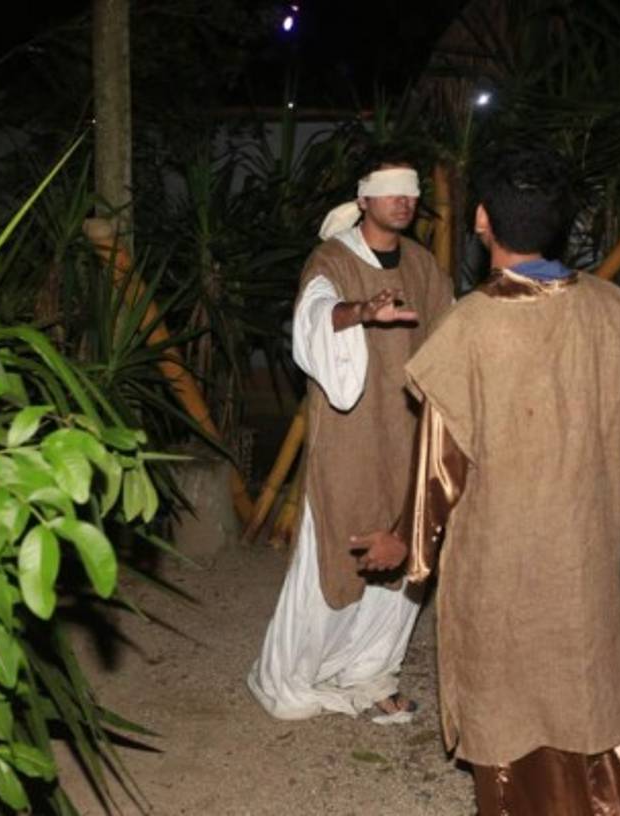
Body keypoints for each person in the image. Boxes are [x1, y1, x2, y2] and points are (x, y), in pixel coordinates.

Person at [354, 147, 620, 813]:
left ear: (481, 220)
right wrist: (617, 524)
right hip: (584, 546)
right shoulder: (615, 311)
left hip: (501, 559)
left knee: (511, 705)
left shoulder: (470, 328)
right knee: (589, 684)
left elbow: (440, 465)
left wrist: (406, 544)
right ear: (562, 222)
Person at [246, 155, 453, 724]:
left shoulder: (422, 265)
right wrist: (361, 311)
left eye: (409, 191)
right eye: (389, 191)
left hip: (411, 429)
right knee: (335, 550)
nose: (403, 199)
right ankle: (288, 675)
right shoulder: (332, 259)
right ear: (363, 198)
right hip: (351, 435)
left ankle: (370, 671)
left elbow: (450, 331)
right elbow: (313, 314)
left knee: (405, 544)